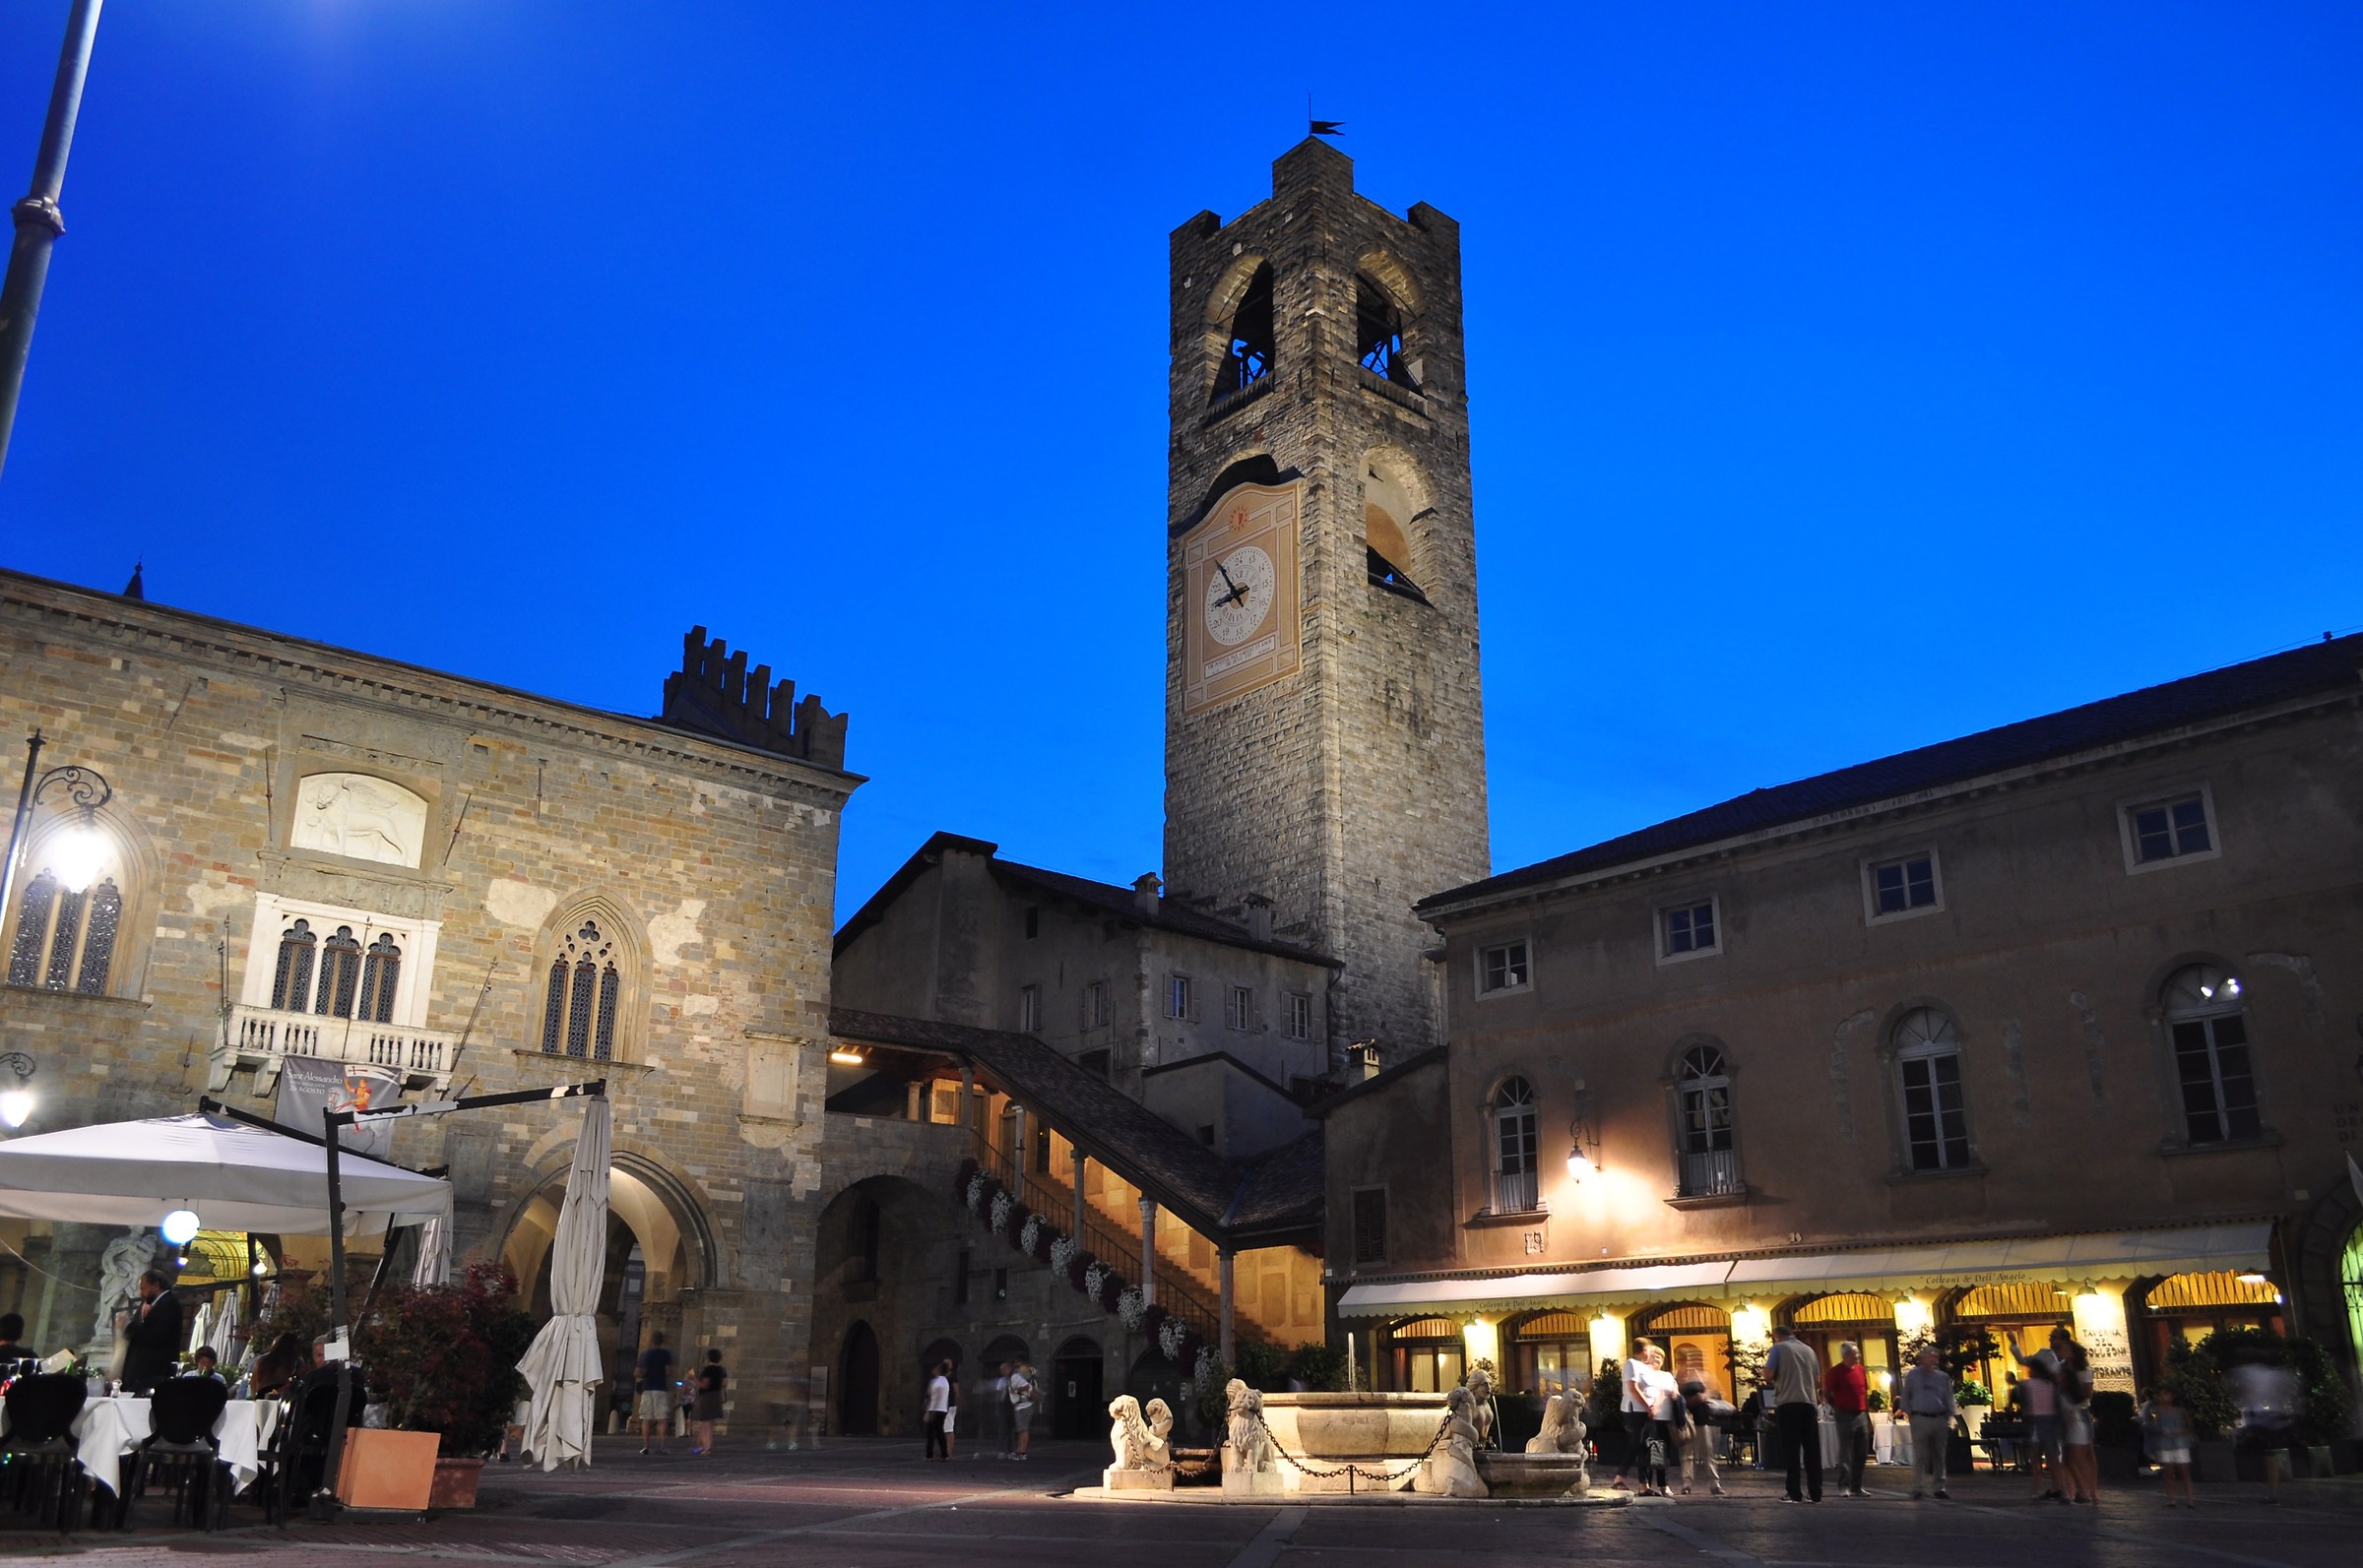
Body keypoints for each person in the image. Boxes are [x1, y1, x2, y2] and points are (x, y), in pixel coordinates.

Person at [2226, 1350, 2300, 1505]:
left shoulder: (2247, 1372)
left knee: (2262, 1456)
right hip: (2276, 1417)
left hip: (2258, 1419)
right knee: (2270, 1457)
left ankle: (2270, 1492)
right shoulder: (2275, 1374)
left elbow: (2235, 1385)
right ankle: (2273, 1491)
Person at [1763, 1324, 1823, 1503]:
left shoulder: (1778, 1348)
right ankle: (1815, 1492)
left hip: (1788, 1402)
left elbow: (1768, 1375)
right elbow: (1817, 1380)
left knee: (1791, 1449)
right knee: (1812, 1450)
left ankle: (1794, 1492)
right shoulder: (1809, 1350)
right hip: (1809, 1402)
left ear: (1777, 1336)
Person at [2010, 1328, 2068, 1501]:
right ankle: (2057, 1489)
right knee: (2049, 1456)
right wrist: (2014, 1344)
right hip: (2049, 1417)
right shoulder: (2044, 1354)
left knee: (2052, 1457)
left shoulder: (2069, 1359)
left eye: (2054, 1337)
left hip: (2053, 1415)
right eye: (2050, 1336)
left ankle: (2060, 1488)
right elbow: (2023, 1360)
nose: (2051, 1340)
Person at [1898, 1345, 1957, 1500]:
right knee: (1920, 1455)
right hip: (1920, 1418)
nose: (1932, 1360)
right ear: (1922, 1358)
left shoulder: (1942, 1377)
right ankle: (1918, 1487)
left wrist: (1948, 1416)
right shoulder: (1913, 1375)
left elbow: (1949, 1398)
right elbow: (1905, 1396)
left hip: (1939, 1418)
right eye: (1929, 1356)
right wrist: (1911, 1413)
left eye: (1935, 1357)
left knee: (1939, 1454)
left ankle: (1939, 1487)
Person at [119, 1269, 183, 1395]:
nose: (141, 1293)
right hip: (143, 1375)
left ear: (155, 1285)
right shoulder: (154, 1305)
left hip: (153, 1374)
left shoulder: (168, 1304)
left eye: (143, 1288)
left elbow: (155, 1337)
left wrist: (128, 1325)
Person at [1823, 1341, 1871, 1497]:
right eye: (1855, 1354)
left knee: (1861, 1451)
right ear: (1846, 1355)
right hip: (1844, 1414)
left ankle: (1857, 1486)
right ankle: (1843, 1485)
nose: (1858, 1356)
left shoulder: (1861, 1370)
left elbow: (1864, 1392)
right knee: (1846, 1451)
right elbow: (1827, 1392)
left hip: (1860, 1413)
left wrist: (1867, 1413)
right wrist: (1837, 1406)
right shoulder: (1835, 1372)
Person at [1610, 1338, 1657, 1492]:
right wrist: (1647, 1405)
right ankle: (1621, 1479)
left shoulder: (1645, 1367)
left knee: (1643, 1446)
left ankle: (1643, 1485)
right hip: (1634, 1410)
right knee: (1636, 1445)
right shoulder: (1631, 1364)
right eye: (1650, 1351)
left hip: (1645, 1412)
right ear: (1644, 1350)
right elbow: (1633, 1387)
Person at [2056, 1338, 2098, 1503]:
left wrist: (2074, 1394)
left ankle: (2089, 1490)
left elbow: (2087, 1393)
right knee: (2070, 1456)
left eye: (2065, 1349)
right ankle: (2074, 1490)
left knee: (2084, 1454)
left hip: (2080, 1411)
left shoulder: (2083, 1370)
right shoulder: (2062, 1368)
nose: (2062, 1353)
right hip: (2071, 1412)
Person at [2140, 1384, 2196, 1508]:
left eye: (2165, 1394)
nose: (2162, 1397)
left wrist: (2179, 1431)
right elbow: (2148, 1424)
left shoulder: (2180, 1411)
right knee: (2168, 1472)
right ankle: (2171, 1498)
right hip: (2164, 1444)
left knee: (2184, 1471)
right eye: (2160, 1395)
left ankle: (2189, 1498)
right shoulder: (2154, 1411)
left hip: (2179, 1443)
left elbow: (2190, 1426)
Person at [1638, 1344, 1681, 1497]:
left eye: (1660, 1357)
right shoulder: (1643, 1373)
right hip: (1649, 1417)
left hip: (1665, 1418)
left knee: (1662, 1453)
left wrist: (1675, 1393)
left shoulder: (1667, 1376)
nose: (1657, 1359)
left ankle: (1663, 1484)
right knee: (1647, 1452)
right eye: (1654, 1356)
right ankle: (1646, 1485)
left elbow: (1675, 1391)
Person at [1678, 1376, 1726, 1496]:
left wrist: (1707, 1394)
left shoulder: (1703, 1381)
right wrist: (1698, 1398)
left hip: (1702, 1421)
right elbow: (1679, 1400)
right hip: (1688, 1422)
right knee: (1689, 1455)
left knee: (1708, 1454)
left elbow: (1718, 1394)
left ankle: (1714, 1484)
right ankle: (1687, 1484)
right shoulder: (1680, 1382)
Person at [635, 1331, 675, 1455]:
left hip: (647, 1388)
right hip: (660, 1388)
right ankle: (662, 1446)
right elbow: (669, 1371)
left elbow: (637, 1373)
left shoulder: (644, 1354)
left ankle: (645, 1446)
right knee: (662, 1419)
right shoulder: (665, 1354)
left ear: (651, 1341)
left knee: (646, 1419)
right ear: (662, 1341)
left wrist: (646, 1374)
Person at [690, 1348, 727, 1457]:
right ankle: (704, 1445)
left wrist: (694, 1380)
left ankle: (707, 1447)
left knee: (706, 1423)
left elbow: (705, 1384)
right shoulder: (722, 1370)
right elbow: (725, 1383)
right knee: (708, 1423)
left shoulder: (708, 1370)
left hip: (707, 1397)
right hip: (716, 1396)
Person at [251, 1332, 310, 1398]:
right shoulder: (296, 1362)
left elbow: (253, 1383)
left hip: (262, 1397)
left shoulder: (263, 1360)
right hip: (283, 1398)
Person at [1005, 1360, 1037, 1460]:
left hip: (1024, 1406)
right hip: (1020, 1406)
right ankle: (1019, 1450)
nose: (1003, 1372)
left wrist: (1015, 1390)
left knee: (1023, 1430)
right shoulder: (1013, 1377)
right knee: (1021, 1430)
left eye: (1004, 1369)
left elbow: (1026, 1386)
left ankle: (1022, 1452)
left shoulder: (1015, 1377)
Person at [924, 1358, 952, 1460]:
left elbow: (932, 1397)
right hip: (943, 1409)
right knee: (940, 1432)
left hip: (934, 1409)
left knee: (931, 1433)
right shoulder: (945, 1382)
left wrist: (928, 1410)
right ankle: (944, 1454)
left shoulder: (935, 1382)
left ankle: (929, 1454)